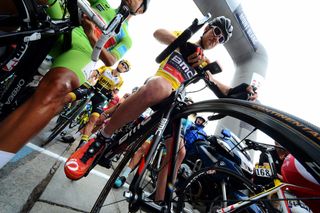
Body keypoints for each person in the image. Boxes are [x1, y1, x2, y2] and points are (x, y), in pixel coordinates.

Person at [64, 16, 234, 201]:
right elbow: (159, 33)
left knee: (179, 151)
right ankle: (102, 138)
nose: (217, 38)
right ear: (207, 28)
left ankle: (160, 200)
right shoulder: (185, 40)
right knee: (159, 87)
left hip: (174, 101)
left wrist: (241, 92)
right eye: (217, 32)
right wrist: (182, 44)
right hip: (160, 83)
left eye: (222, 39)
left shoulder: (203, 60)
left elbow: (219, 85)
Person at [0, 0, 151, 169]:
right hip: (67, 23)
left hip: (84, 50)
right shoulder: (102, 3)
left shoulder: (126, 37)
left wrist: (91, 35)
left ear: (141, 10)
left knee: (60, 88)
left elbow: (110, 60)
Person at [60, 59, 131, 145]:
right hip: (92, 90)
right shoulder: (106, 68)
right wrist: (93, 75)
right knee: (69, 97)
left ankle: (82, 142)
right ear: (119, 63)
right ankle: (57, 107)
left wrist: (112, 94)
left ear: (125, 71)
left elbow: (115, 92)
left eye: (125, 67)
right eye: (122, 64)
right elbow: (96, 72)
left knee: (94, 119)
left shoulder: (120, 81)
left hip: (101, 98)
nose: (123, 66)